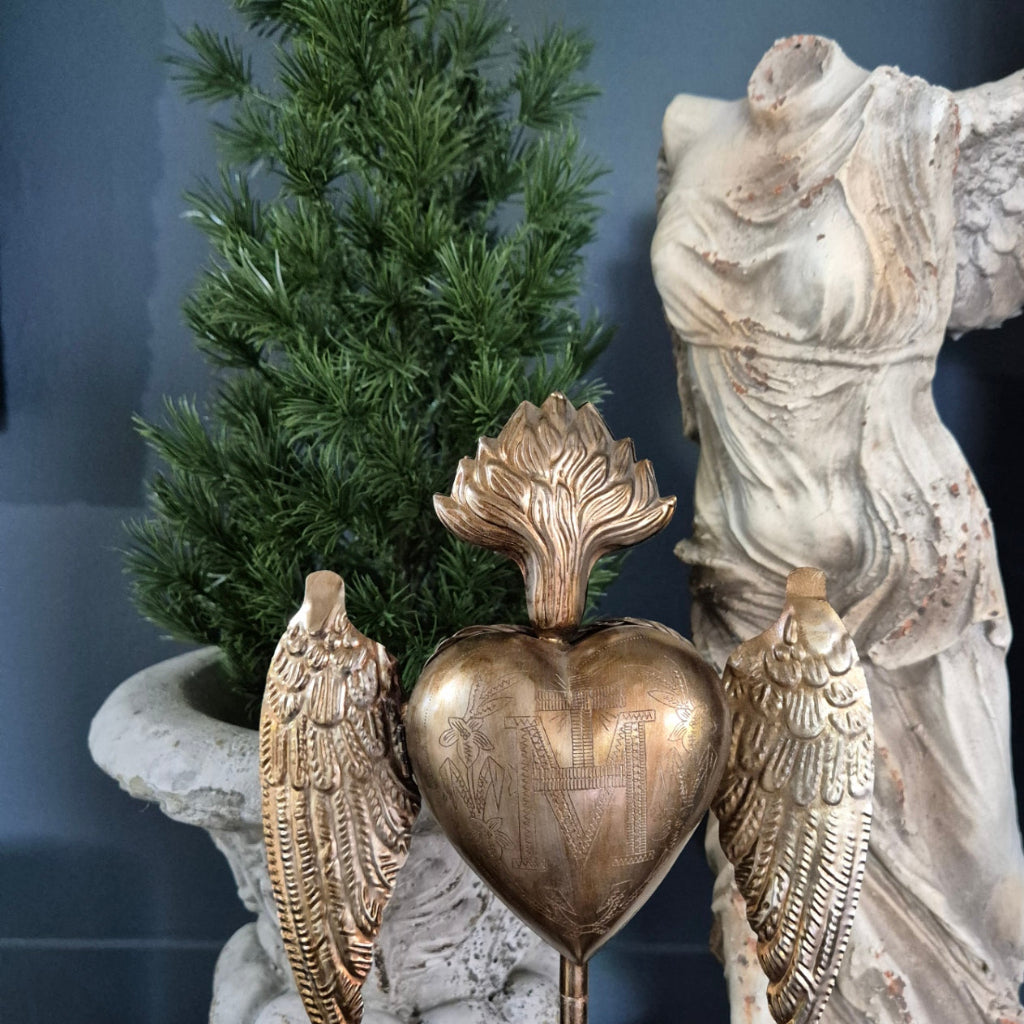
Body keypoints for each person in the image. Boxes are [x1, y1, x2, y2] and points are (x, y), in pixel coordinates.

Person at [652, 35, 1024, 1023]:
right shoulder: (689, 129)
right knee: (771, 921)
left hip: (913, 593)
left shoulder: (923, 129)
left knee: (986, 893)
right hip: (746, 586)